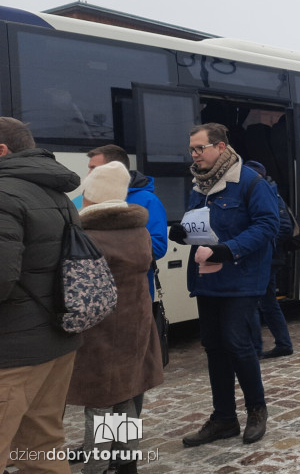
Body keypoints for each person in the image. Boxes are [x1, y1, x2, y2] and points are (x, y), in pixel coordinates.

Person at [168, 122, 279, 446]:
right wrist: (182, 233)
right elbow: (202, 226)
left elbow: (268, 226)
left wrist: (229, 250)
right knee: (214, 347)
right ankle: (223, 419)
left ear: (219, 147)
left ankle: (257, 410)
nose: (194, 154)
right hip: (208, 279)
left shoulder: (250, 182)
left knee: (238, 344)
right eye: (191, 149)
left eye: (199, 148)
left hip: (242, 280)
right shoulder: (200, 185)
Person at [67, 161, 163, 474]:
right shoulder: (139, 231)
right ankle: (125, 463)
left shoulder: (89, 236)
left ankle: (94, 467)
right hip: (135, 326)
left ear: (93, 197)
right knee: (124, 396)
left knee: (99, 405)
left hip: (101, 332)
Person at [0, 117, 82, 474]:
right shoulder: (56, 192)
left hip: (12, 350)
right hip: (55, 341)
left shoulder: (4, 193)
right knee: (42, 447)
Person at [85, 145, 168, 301]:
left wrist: (112, 244)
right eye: (89, 168)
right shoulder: (87, 198)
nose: (89, 174)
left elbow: (158, 247)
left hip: (132, 295)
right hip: (95, 295)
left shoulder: (147, 200)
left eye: (94, 168)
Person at [243, 160, 294, 360]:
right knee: (267, 302)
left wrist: (261, 243)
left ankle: (255, 349)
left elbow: (284, 227)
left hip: (268, 258)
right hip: (266, 258)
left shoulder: (269, 193)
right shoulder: (261, 192)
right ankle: (283, 343)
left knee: (255, 301)